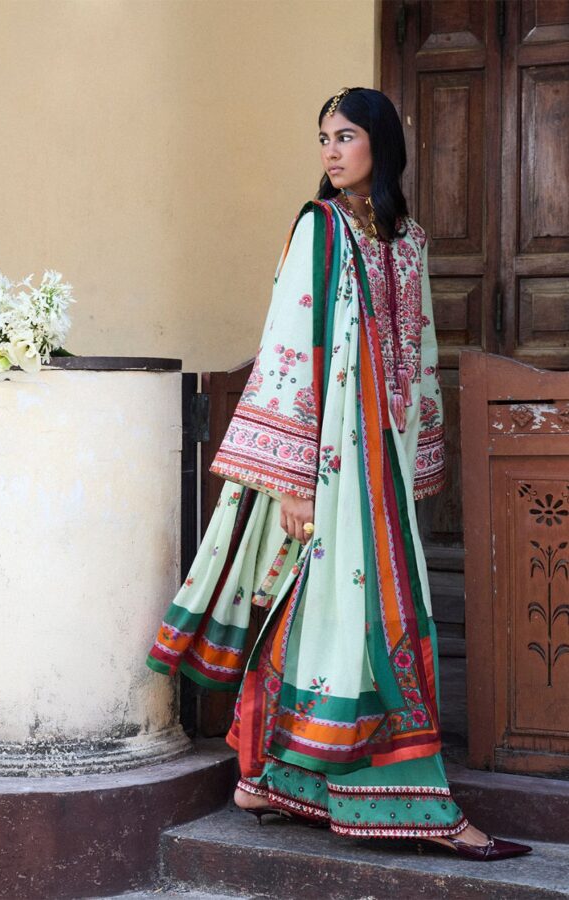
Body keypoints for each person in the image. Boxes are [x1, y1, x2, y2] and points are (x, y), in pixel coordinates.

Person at [147, 87, 531, 862]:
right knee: (365, 618)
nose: (330, 150)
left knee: (330, 611)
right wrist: (293, 480)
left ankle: (269, 779)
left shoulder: (409, 240)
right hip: (329, 462)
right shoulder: (319, 228)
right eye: (323, 137)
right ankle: (421, 806)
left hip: (382, 461)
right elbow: (289, 344)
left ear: (380, 144)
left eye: (345, 135)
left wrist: (418, 451)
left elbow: (420, 347)